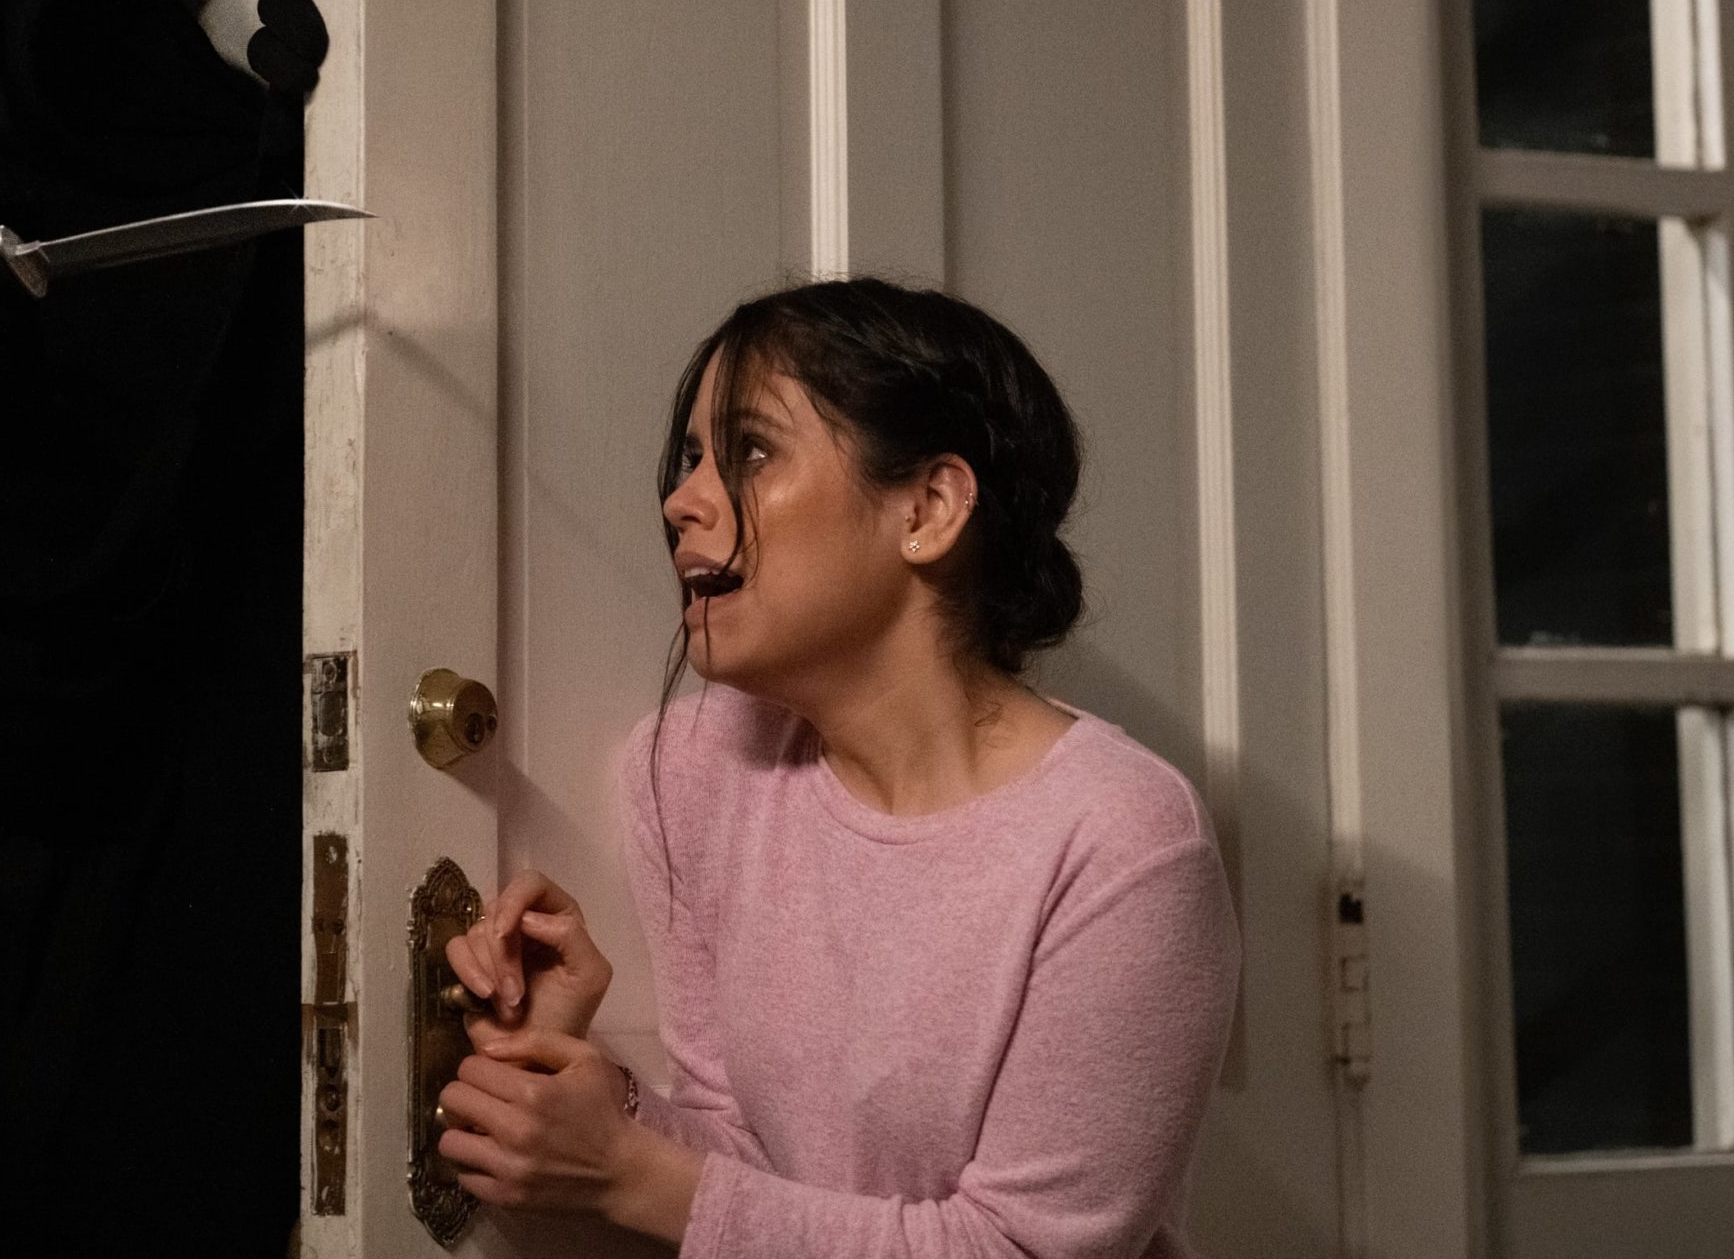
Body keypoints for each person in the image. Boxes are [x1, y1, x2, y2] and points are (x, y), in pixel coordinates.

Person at [439, 278, 1242, 1256]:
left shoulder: (1122, 842)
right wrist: (584, 1091)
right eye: (691, 458)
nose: (682, 501)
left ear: (928, 509)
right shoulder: (695, 768)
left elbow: (1019, 1249)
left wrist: (626, 1174)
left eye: (750, 452)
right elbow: (746, 1158)